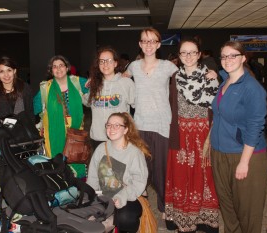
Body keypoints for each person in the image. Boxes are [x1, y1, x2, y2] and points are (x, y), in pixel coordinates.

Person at [210, 41, 267, 233]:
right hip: (220, 153)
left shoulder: (252, 88)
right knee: (227, 206)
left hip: (245, 155)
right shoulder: (225, 79)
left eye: (233, 55)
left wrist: (244, 162)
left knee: (248, 211)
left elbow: (255, 126)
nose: (228, 60)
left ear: (243, 58)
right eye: (224, 56)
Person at [123, 28, 178, 222]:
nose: (148, 45)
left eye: (152, 41)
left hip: (162, 124)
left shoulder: (168, 66)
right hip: (140, 125)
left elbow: (189, 74)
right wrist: (94, 82)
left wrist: (210, 72)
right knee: (140, 168)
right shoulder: (134, 66)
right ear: (140, 44)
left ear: (158, 44)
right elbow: (118, 81)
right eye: (144, 41)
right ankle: (139, 201)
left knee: (162, 170)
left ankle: (164, 204)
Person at [165, 38, 220, 233]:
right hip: (181, 135)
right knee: (181, 177)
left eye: (192, 52)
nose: (188, 56)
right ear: (179, 56)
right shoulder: (174, 78)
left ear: (199, 55)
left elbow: (216, 107)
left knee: (203, 177)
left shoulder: (211, 77)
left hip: (203, 136)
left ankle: (204, 220)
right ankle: (183, 221)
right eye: (184, 53)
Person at [87, 112, 150, 233]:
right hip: (104, 196)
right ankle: (108, 223)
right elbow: (93, 178)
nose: (111, 128)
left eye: (117, 125)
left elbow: (139, 182)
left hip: (128, 197)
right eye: (109, 125)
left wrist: (122, 196)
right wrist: (93, 197)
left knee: (125, 218)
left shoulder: (134, 153)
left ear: (125, 129)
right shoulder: (101, 149)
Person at [33, 55, 89, 179]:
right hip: (53, 132)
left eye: (61, 65)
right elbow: (34, 107)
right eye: (55, 66)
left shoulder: (78, 82)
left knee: (76, 159)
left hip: (75, 131)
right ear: (51, 70)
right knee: (56, 161)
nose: (58, 69)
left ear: (67, 67)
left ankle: (78, 188)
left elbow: (96, 91)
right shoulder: (45, 88)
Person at [83, 46, 135, 151]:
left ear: (115, 63)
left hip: (120, 137)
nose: (105, 64)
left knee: (119, 167)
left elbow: (136, 105)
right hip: (98, 138)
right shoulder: (94, 84)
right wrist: (86, 87)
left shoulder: (126, 83)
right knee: (103, 167)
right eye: (101, 61)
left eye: (109, 61)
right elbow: (86, 102)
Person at [0, 56, 35, 122]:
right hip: (1, 130)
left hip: (22, 129)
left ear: (14, 71)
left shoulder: (24, 88)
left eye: (9, 70)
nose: (6, 75)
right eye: (2, 71)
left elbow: (30, 112)